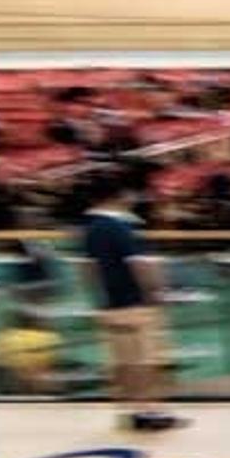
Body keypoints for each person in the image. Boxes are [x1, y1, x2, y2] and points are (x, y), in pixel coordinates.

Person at [79, 173, 184, 432]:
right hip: (136, 304)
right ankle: (152, 411)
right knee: (146, 361)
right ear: (119, 195)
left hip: (110, 305)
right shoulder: (121, 228)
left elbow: (87, 270)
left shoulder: (90, 229)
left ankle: (130, 411)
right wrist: (156, 294)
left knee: (123, 361)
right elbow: (140, 266)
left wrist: (98, 301)